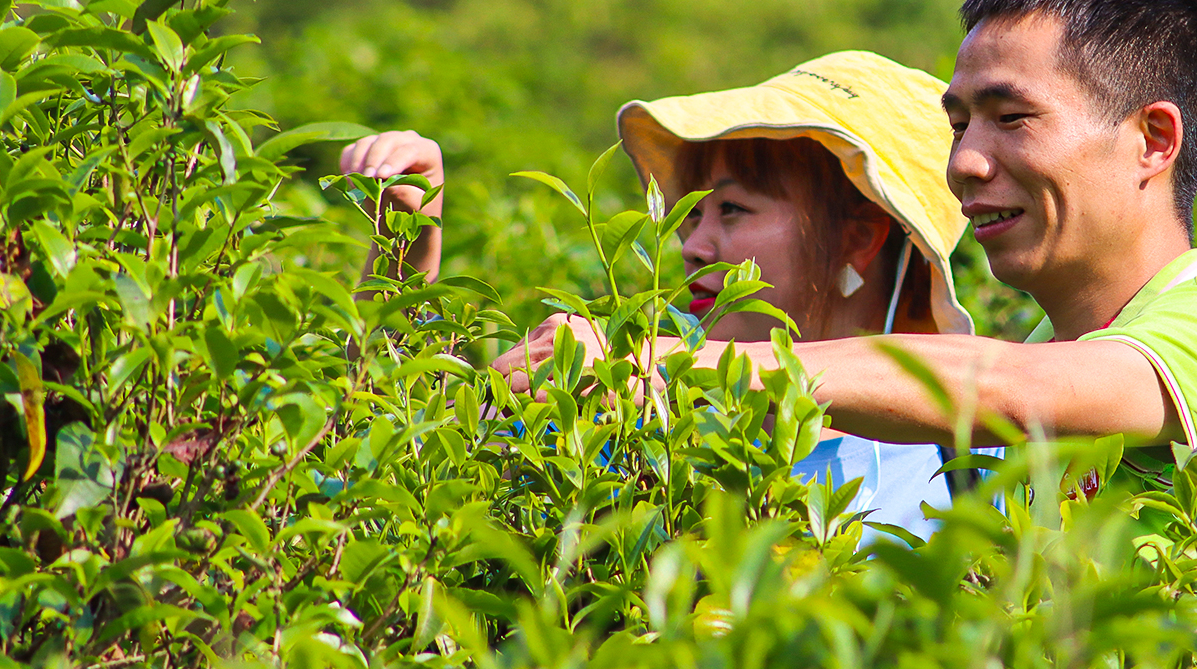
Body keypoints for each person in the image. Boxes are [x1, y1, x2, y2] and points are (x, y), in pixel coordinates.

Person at [498, 0, 1197, 554]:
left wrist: (670, 370)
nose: (966, 162)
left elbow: (1010, 389)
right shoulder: (1016, 404)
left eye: (1012, 118)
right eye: (958, 125)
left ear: (1153, 141)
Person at [343, 52, 985, 542]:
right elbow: (380, 478)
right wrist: (406, 247)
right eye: (691, 215)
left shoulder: (973, 465)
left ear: (859, 239)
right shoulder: (626, 411)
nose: (693, 246)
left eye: (732, 209)